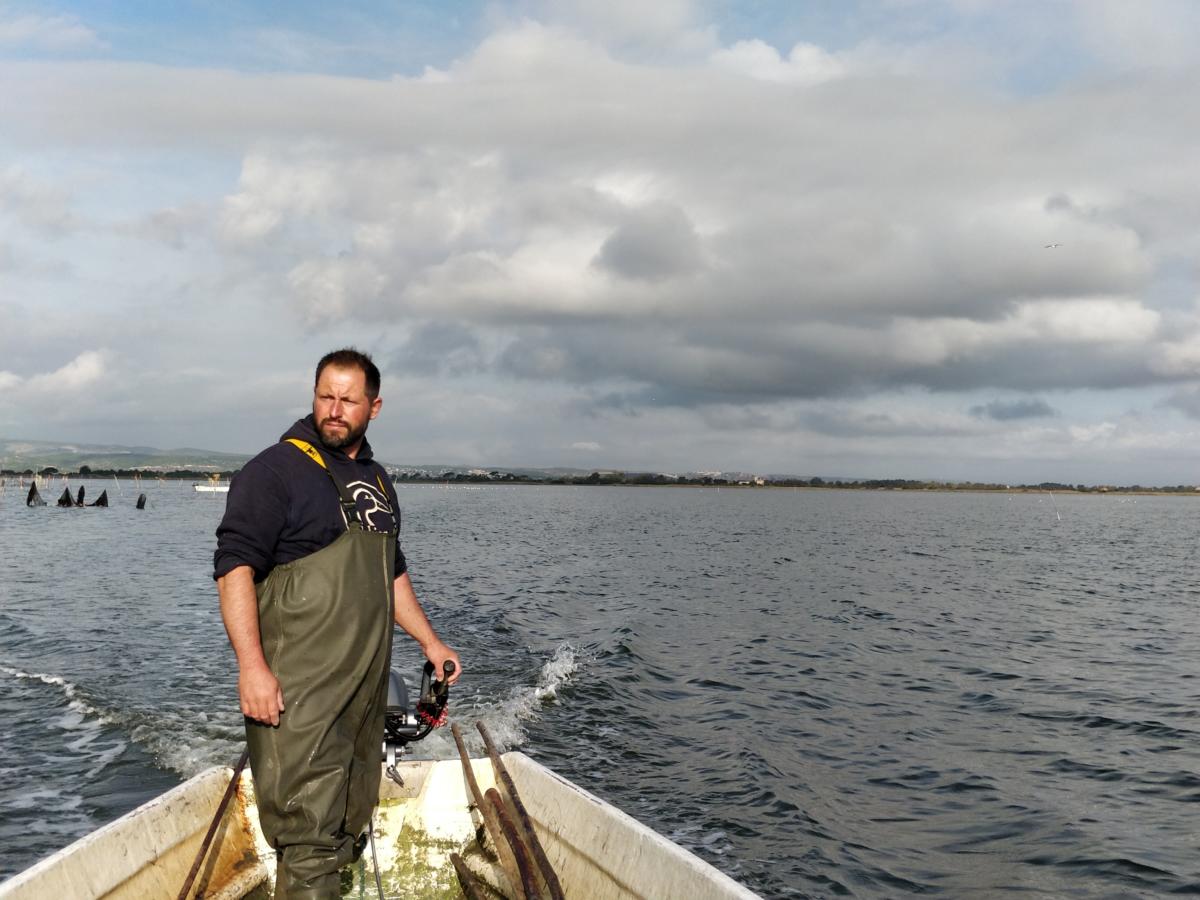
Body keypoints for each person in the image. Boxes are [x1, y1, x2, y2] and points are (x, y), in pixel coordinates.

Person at [214, 348, 461, 899]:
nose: (334, 409)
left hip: (364, 690)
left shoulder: (376, 481)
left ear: (374, 407)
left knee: (349, 823)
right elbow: (234, 570)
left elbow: (389, 573)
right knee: (309, 838)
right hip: (298, 692)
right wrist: (252, 669)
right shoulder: (272, 472)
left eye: (348, 400)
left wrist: (430, 641)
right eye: (326, 396)